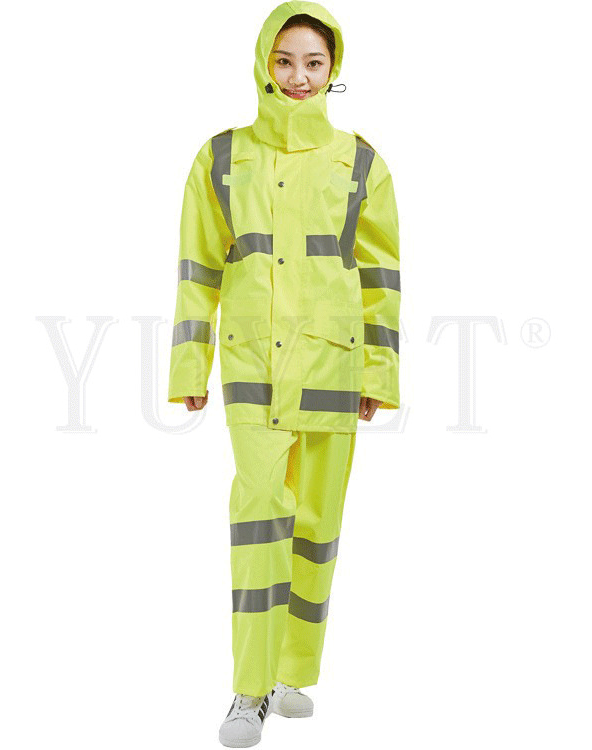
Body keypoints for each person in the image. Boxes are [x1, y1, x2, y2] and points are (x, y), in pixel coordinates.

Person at [167, 2, 400, 746]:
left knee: (317, 526)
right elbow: (198, 269)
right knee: (260, 512)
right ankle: (248, 689)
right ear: (263, 61)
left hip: (333, 358)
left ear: (334, 71)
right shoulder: (220, 156)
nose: (299, 76)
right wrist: (189, 361)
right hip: (253, 363)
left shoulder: (361, 161)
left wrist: (380, 372)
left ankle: (292, 672)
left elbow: (381, 276)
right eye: (286, 60)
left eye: (315, 63)